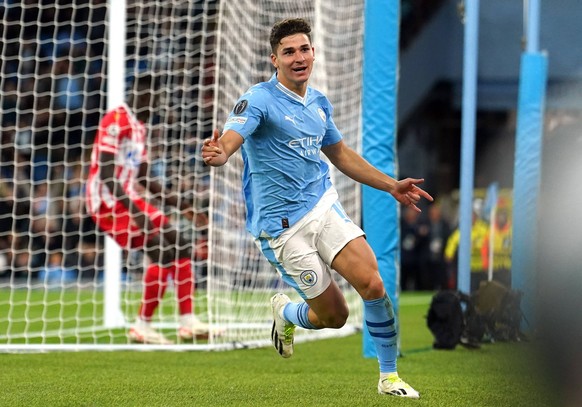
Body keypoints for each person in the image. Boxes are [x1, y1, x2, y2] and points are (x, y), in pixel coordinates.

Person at [202, 18, 432, 398]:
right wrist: (220, 152)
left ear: (313, 53)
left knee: (373, 284)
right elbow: (231, 140)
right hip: (282, 228)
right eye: (289, 52)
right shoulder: (259, 98)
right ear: (273, 59)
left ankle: (389, 376)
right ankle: (287, 313)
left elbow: (339, 154)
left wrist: (392, 184)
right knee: (335, 316)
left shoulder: (319, 102)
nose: (298, 57)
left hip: (322, 206)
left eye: (304, 49)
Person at [86, 73, 210, 344]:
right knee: (161, 249)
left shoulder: (139, 128)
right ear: (140, 95)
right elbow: (107, 174)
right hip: (107, 202)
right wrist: (137, 213)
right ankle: (142, 325)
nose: (156, 106)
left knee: (179, 243)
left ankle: (187, 322)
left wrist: (181, 204)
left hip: (128, 198)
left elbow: (143, 178)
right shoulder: (116, 120)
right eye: (154, 99)